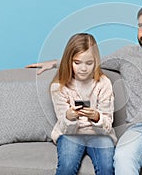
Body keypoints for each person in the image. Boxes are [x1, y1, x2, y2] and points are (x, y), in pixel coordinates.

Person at [27, 2, 142, 175]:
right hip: (138, 131)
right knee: (123, 157)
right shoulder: (127, 54)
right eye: (141, 26)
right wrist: (56, 63)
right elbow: (90, 62)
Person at [49, 33, 116, 175]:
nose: (83, 69)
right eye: (77, 63)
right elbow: (64, 126)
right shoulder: (59, 86)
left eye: (89, 63)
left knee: (107, 167)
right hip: (70, 135)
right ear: (69, 61)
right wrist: (69, 117)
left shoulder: (103, 83)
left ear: (96, 61)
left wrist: (97, 117)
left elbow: (107, 123)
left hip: (99, 135)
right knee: (67, 166)